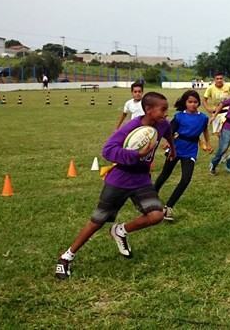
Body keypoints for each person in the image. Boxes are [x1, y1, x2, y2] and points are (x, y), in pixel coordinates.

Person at [54, 92, 174, 280]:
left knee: (157, 214)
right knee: (97, 221)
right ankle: (66, 256)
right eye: (163, 109)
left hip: (142, 180)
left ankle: (120, 230)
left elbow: (167, 132)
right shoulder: (131, 127)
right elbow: (108, 150)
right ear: (148, 110)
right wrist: (137, 154)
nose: (167, 113)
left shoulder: (162, 124)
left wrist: (172, 149)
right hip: (120, 179)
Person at [152, 90, 212, 222]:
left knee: (186, 179)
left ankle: (169, 207)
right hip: (176, 148)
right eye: (190, 102)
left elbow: (205, 130)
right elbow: (170, 131)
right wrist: (168, 143)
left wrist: (208, 143)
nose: (193, 104)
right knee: (165, 174)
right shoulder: (179, 116)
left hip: (191, 150)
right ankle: (151, 195)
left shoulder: (203, 118)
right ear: (185, 103)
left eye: (195, 102)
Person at [203, 72, 230, 136]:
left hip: (226, 111)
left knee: (224, 128)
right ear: (214, 80)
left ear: (223, 79)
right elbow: (204, 100)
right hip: (216, 112)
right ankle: (222, 144)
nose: (219, 80)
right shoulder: (210, 88)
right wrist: (208, 108)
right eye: (217, 79)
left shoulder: (228, 86)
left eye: (221, 78)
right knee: (217, 133)